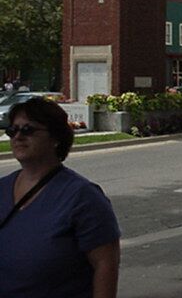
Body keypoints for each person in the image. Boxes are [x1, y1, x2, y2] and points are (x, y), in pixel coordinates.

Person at [0, 97, 120, 298]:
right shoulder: (2, 188)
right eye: (13, 130)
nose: (18, 137)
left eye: (28, 130)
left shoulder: (83, 197)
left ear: (55, 138)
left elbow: (105, 264)